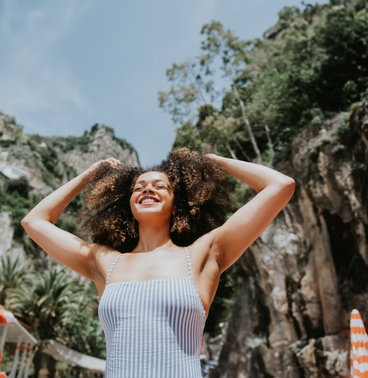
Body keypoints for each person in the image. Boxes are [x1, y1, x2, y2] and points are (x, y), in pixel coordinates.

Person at [22, 148, 295, 378]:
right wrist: (90, 176)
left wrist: (212, 162)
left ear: (176, 205)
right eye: (138, 188)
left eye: (160, 186)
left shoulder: (203, 255)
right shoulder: (105, 262)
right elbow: (34, 222)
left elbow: (281, 186)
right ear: (129, 205)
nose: (148, 188)